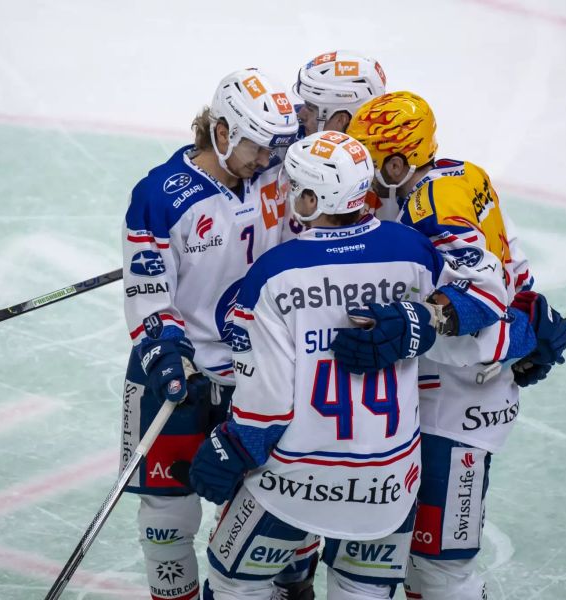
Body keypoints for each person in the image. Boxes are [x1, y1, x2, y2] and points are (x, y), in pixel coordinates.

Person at [183, 131, 447, 599]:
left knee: (232, 584)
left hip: (296, 482)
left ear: (312, 197)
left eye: (293, 186)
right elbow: (474, 305)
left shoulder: (276, 271)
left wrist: (230, 447)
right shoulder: (415, 252)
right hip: (388, 486)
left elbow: (265, 403)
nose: (285, 194)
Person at [332, 92, 566, 599]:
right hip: (433, 404)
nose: (362, 179)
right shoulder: (468, 175)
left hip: (456, 409)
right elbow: (516, 274)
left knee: (439, 568)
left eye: (370, 163)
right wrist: (530, 317)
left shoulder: (428, 209)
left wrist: (516, 336)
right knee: (394, 561)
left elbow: (477, 309)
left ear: (398, 162)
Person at [120, 67, 299, 600]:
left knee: (276, 507)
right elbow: (150, 297)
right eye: (256, 146)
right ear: (220, 133)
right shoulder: (159, 196)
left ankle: (294, 591)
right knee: (166, 516)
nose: (266, 160)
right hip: (185, 372)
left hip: (259, 377)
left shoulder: (280, 174)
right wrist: (166, 355)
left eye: (275, 148)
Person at [291, 50, 392, 223]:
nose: (300, 114)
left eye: (310, 107)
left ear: (341, 120)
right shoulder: (286, 134)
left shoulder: (389, 165)